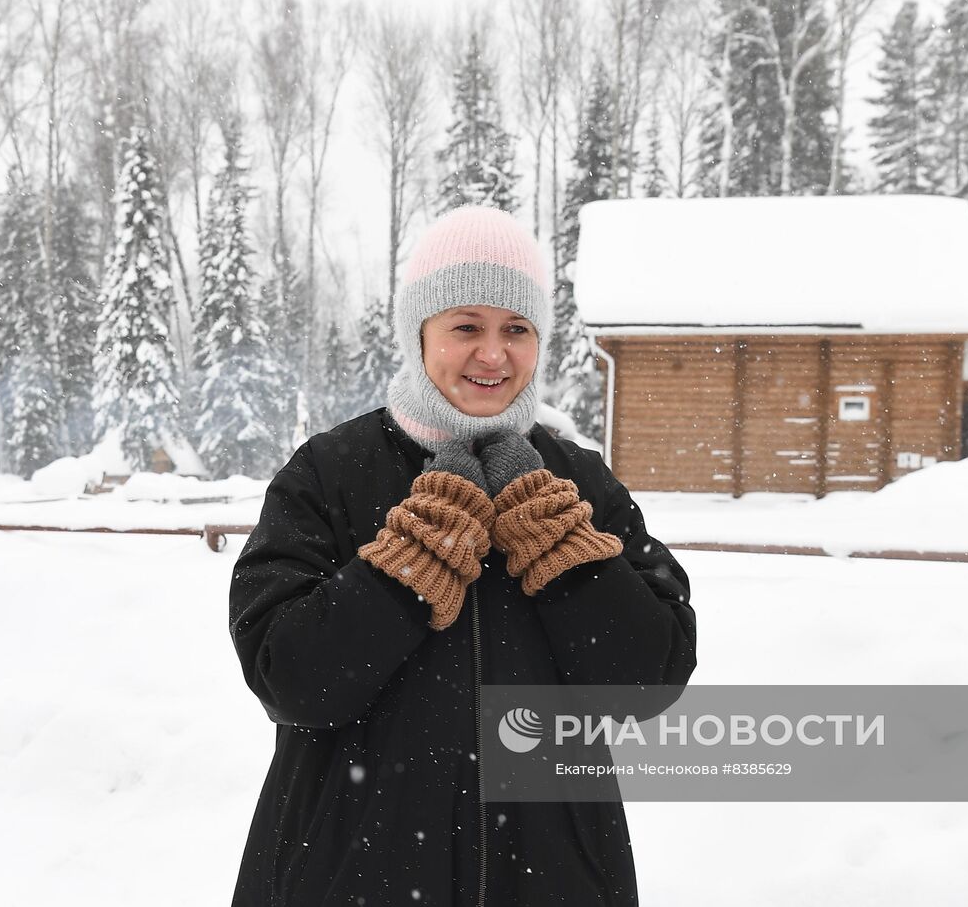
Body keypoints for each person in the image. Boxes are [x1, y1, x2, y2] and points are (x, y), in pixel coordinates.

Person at [227, 205, 697, 906]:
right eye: (466, 327)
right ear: (418, 334)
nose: (493, 354)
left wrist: (565, 553)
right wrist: (411, 563)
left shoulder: (580, 482)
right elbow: (291, 681)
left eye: (517, 329)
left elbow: (646, 682)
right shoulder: (329, 472)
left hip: (554, 879)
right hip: (350, 878)